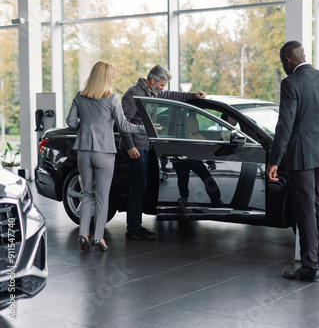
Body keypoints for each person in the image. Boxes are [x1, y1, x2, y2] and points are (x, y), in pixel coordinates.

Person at [266, 41, 319, 282]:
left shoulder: (291, 83)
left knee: (305, 207)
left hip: (300, 153)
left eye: (282, 63)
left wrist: (275, 158)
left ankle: (309, 266)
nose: (283, 67)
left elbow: (285, 124)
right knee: (318, 201)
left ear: (288, 61)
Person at [119, 64, 207, 241]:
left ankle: (139, 223)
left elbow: (172, 95)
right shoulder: (132, 94)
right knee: (138, 186)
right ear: (153, 81)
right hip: (135, 147)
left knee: (146, 185)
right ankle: (133, 228)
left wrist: (193, 96)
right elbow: (122, 124)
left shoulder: (152, 91)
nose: (162, 89)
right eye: (161, 85)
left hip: (148, 146)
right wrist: (130, 147)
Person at [66, 60, 146, 252]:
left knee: (87, 194)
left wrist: (83, 129)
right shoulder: (112, 98)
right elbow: (124, 126)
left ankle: (84, 234)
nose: (114, 77)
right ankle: (98, 239)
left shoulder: (80, 96)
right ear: (105, 77)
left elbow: (70, 122)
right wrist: (146, 129)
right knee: (102, 197)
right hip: (104, 153)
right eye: (112, 74)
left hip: (84, 152)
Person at [172, 111, 222, 206]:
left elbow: (207, 151)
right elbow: (207, 151)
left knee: (183, 179)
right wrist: (211, 163)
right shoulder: (198, 137)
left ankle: (184, 196)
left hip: (183, 162)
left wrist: (211, 163)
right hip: (191, 162)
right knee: (206, 178)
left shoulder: (186, 137)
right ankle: (215, 198)